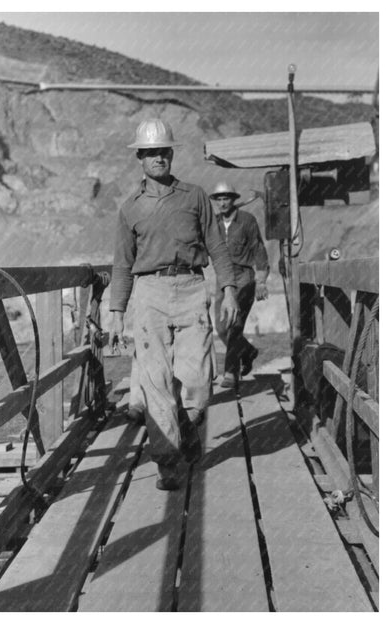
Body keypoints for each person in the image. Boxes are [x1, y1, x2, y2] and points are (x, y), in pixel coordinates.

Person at [109, 119, 238, 491]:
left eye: (163, 151)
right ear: (140, 158)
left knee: (197, 383)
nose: (158, 158)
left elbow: (217, 245)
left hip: (191, 288)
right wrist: (117, 314)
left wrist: (228, 288)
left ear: (171, 154)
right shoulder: (129, 208)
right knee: (156, 383)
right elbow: (122, 263)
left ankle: (186, 427)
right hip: (149, 294)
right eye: (150, 153)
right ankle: (167, 463)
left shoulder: (195, 196)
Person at [210, 181, 269, 388]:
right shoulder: (213, 223)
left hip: (244, 276)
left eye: (226, 198)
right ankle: (248, 351)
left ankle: (230, 373)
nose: (223, 202)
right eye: (219, 199)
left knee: (234, 325)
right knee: (221, 327)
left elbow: (258, 249)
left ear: (234, 200)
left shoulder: (247, 220)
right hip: (222, 278)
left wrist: (261, 281)